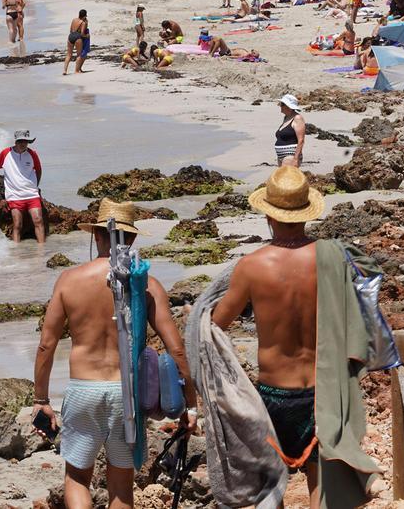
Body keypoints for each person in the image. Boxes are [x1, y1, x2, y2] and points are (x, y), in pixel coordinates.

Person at [201, 166, 381, 506]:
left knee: (271, 484)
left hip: (273, 395)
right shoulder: (330, 260)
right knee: (320, 483)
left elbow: (216, 326)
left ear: (269, 215)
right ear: (306, 214)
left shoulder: (252, 267)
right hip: (320, 392)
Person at [32, 199, 197, 509]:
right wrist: (191, 405)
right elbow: (176, 348)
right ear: (132, 239)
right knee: (121, 487)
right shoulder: (147, 286)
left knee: (78, 478)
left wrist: (41, 400)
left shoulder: (69, 280)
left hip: (84, 390)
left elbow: (46, 344)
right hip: (128, 395)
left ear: (97, 236)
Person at [0, 130, 45, 243]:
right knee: (17, 224)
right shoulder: (6, 153)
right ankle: (16, 253)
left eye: (25, 141)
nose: (23, 144)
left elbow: (39, 170)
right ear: (16, 142)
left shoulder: (32, 154)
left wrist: (35, 186)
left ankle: (42, 251)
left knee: (38, 220)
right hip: (14, 196)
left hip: (31, 194)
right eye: (20, 141)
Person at [65, 9, 89, 75]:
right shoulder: (83, 23)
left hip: (70, 36)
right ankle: (76, 71)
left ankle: (64, 71)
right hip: (78, 37)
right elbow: (82, 34)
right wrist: (87, 36)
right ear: (84, 16)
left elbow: (70, 30)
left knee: (69, 54)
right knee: (79, 55)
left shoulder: (74, 20)